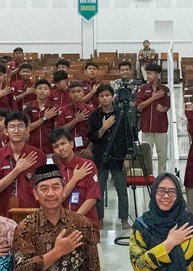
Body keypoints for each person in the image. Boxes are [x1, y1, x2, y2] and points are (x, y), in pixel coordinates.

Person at [88, 85, 136, 229]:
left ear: (112, 96)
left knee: (121, 189)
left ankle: (124, 219)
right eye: (102, 96)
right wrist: (103, 128)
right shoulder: (94, 115)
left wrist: (128, 156)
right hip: (100, 157)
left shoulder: (122, 113)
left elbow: (130, 136)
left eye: (107, 95)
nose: (105, 98)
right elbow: (92, 137)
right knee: (98, 189)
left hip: (119, 156)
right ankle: (100, 218)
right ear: (98, 98)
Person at [50, 128, 101, 230]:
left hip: (86, 223)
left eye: (63, 143)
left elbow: (92, 198)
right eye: (56, 146)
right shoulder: (54, 171)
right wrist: (75, 178)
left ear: (72, 144)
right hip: (61, 226)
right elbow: (58, 199)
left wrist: (74, 219)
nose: (60, 148)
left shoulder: (87, 165)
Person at [136, 63, 171, 175]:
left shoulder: (165, 89)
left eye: (150, 73)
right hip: (146, 126)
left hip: (161, 127)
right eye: (147, 73)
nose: (148, 76)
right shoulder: (143, 89)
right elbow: (139, 106)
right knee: (147, 153)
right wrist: (153, 98)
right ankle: (148, 175)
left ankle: (162, 175)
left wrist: (164, 109)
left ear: (157, 75)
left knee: (163, 154)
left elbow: (167, 106)